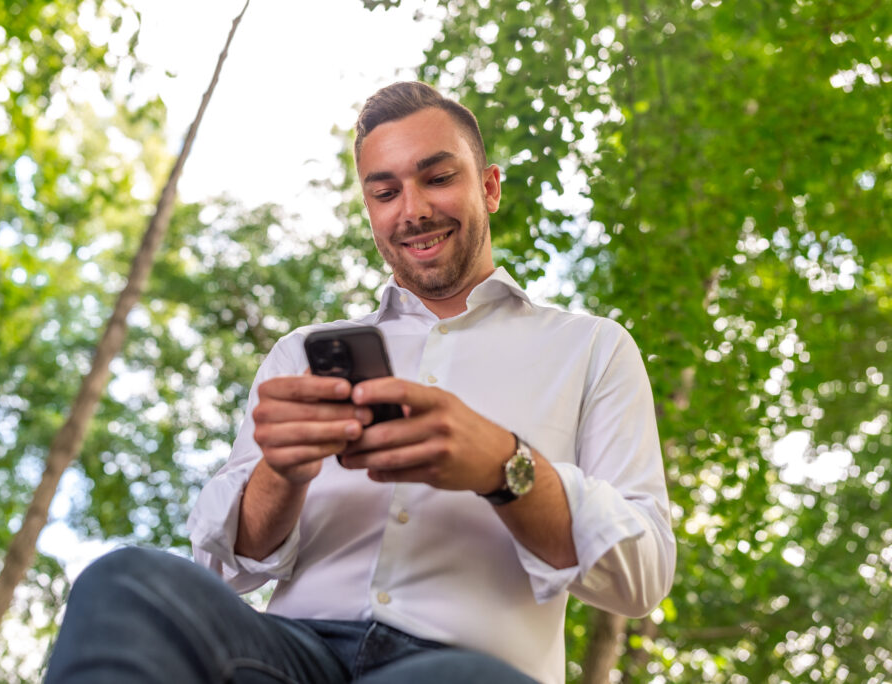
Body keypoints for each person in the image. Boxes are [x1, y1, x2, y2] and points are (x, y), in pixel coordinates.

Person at [45, 81, 675, 684]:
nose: (414, 210)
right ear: (370, 210)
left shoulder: (592, 349)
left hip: (466, 664)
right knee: (124, 580)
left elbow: (642, 577)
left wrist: (502, 465)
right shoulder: (300, 354)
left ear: (488, 187)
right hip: (293, 655)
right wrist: (282, 473)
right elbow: (220, 566)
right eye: (385, 191)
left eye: (438, 177)